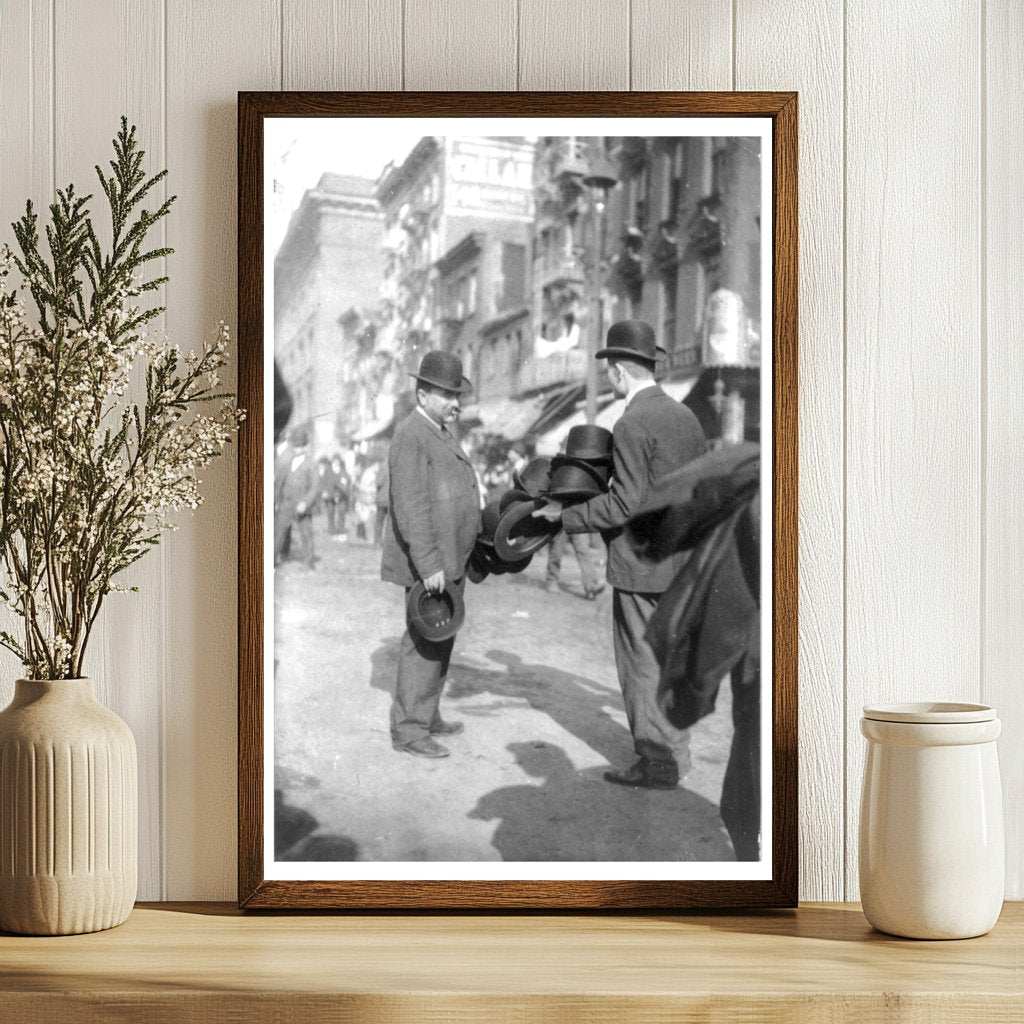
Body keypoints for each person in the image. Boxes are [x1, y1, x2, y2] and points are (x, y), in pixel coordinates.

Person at [535, 319, 706, 789]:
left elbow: (625, 502)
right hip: (681, 562)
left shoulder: (632, 422)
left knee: (640, 666)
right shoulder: (686, 416)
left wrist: (566, 517)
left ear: (616, 371)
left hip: (640, 568)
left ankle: (656, 764)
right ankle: (678, 753)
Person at [381, 350, 481, 759]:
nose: (455, 403)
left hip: (449, 557)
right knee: (423, 642)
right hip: (432, 562)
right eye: (446, 395)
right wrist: (429, 564)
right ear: (422, 394)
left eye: (457, 395)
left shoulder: (436, 431)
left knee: (441, 638)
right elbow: (411, 506)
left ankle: (428, 714)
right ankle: (409, 730)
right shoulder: (411, 434)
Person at [274, 426, 320, 569]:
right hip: (286, 503)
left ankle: (308, 562)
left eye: (300, 446)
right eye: (295, 446)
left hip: (301, 504)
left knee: (306, 533)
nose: (297, 449)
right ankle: (271, 561)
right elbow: (279, 483)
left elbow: (314, 487)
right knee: (278, 533)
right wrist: (277, 501)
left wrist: (306, 503)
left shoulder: (311, 465)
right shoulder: (287, 463)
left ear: (306, 447)